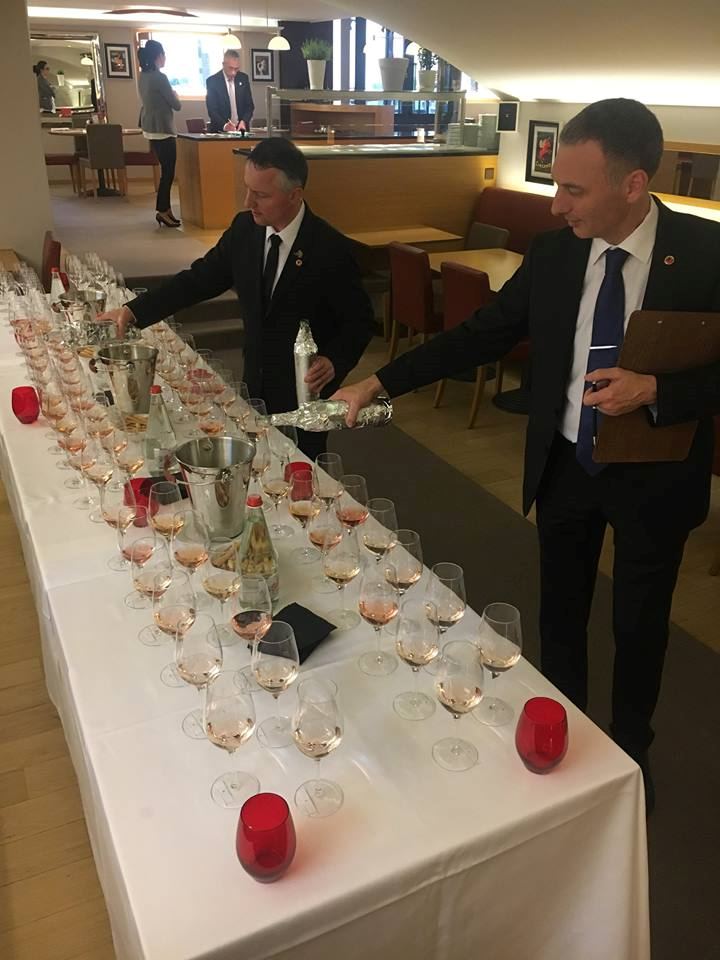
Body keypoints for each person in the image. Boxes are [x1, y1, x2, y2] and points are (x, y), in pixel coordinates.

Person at [333, 98, 720, 813]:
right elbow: (480, 333)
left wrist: (658, 390)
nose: (556, 205)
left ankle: (631, 755)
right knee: (560, 613)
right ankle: (562, 732)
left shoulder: (705, 252)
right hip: (567, 465)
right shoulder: (555, 253)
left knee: (640, 625)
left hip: (656, 476)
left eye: (573, 189)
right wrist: (379, 382)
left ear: (633, 184)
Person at [99, 137, 374, 458]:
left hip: (304, 394)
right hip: (253, 384)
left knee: (302, 468)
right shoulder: (245, 230)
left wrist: (335, 360)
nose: (248, 202)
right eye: (247, 189)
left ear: (294, 195)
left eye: (261, 195)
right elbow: (198, 280)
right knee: (258, 460)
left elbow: (360, 322)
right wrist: (134, 311)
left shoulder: (330, 249)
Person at [137, 40, 181, 228]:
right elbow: (176, 105)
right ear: (158, 56)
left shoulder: (143, 76)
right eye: (164, 54)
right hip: (163, 129)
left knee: (166, 172)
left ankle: (166, 209)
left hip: (150, 128)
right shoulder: (159, 77)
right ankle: (162, 210)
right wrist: (175, 95)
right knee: (168, 174)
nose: (165, 58)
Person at [206, 50, 254, 133]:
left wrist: (244, 121)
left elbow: (249, 106)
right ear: (223, 65)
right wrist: (225, 125)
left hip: (241, 130)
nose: (233, 73)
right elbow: (212, 110)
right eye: (230, 68)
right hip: (220, 131)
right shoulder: (212, 81)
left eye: (236, 69)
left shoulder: (243, 78)